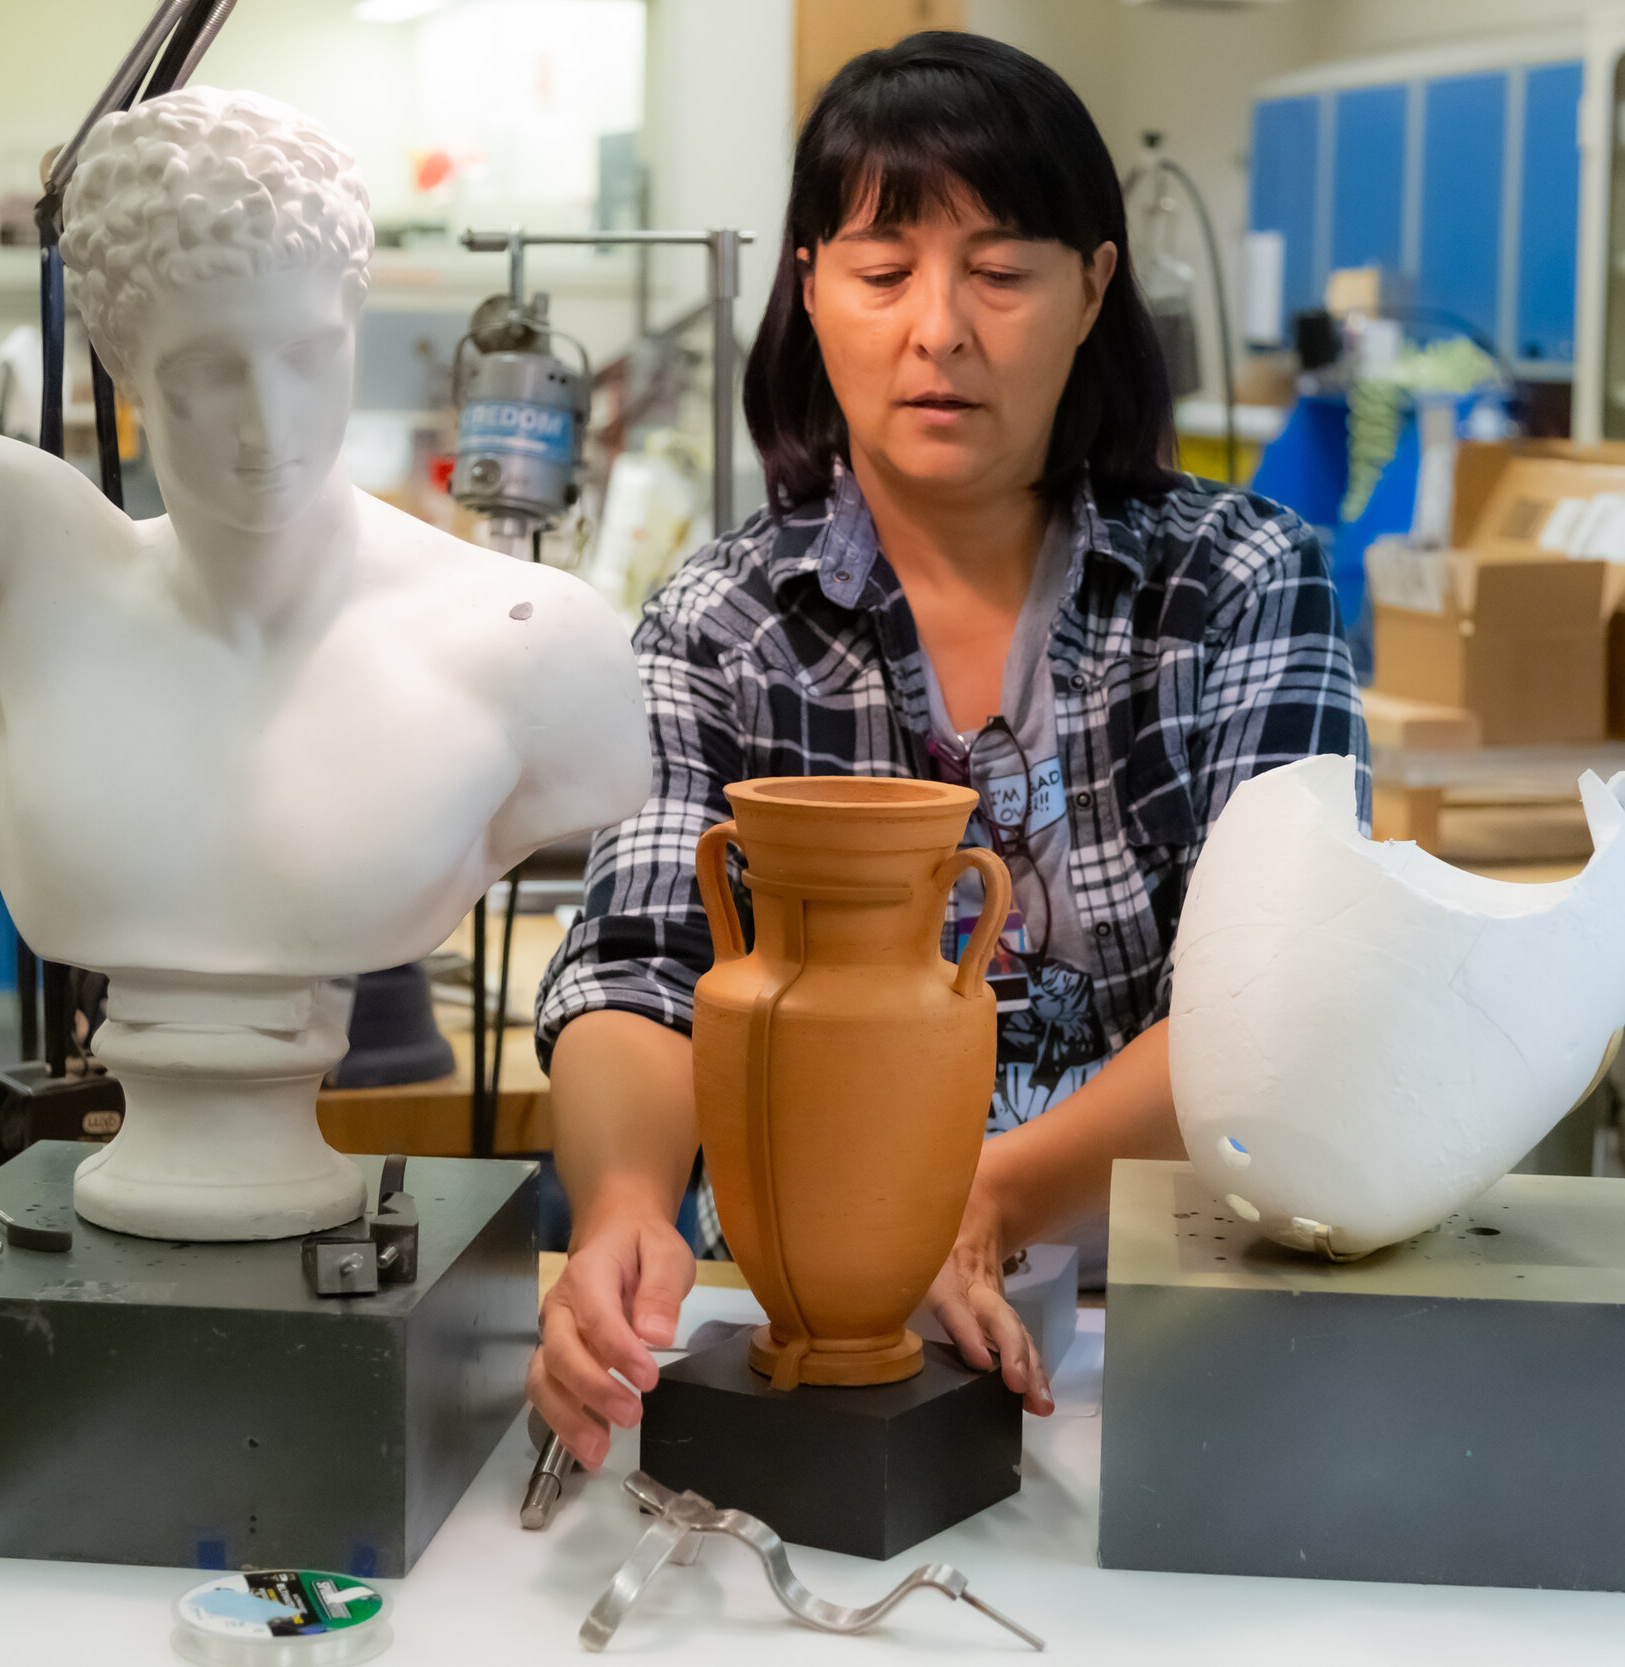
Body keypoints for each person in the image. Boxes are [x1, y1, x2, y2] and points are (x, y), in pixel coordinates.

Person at [528, 31, 1365, 1466]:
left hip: (1170, 1313)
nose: (940, 328)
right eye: (882, 271)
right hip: (801, 1323)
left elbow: (1284, 991)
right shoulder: (724, 620)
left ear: (1093, 286)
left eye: (1000, 271)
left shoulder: (1238, 580)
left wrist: (986, 1197)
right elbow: (638, 974)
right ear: (809, 288)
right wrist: (620, 1212)